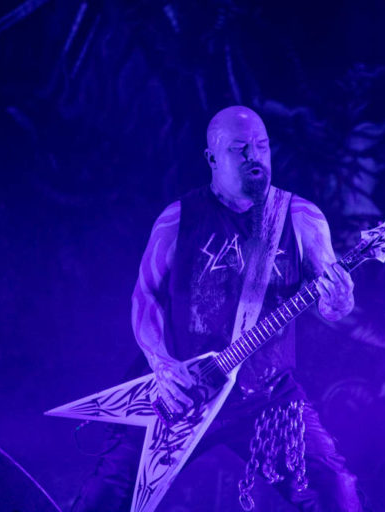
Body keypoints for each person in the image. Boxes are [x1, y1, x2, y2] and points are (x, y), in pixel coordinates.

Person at [72, 105, 364, 511]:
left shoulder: (301, 217)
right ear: (211, 158)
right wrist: (162, 364)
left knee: (336, 491)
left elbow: (332, 307)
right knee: (104, 498)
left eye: (262, 146)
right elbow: (145, 296)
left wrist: (340, 297)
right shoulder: (178, 219)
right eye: (239, 149)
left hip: (266, 396)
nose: (254, 157)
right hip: (181, 392)